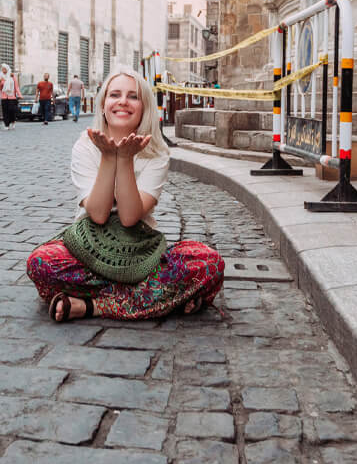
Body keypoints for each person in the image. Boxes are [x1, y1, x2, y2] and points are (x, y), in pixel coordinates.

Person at [25, 68, 224, 321]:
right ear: (103, 104)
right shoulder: (85, 145)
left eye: (133, 96)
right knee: (40, 263)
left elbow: (129, 218)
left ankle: (92, 306)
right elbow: (98, 214)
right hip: (88, 248)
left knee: (208, 262)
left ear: (144, 107)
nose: (122, 102)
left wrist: (126, 159)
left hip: (141, 253)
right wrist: (109, 157)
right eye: (115, 95)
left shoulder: (157, 153)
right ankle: (157, 298)